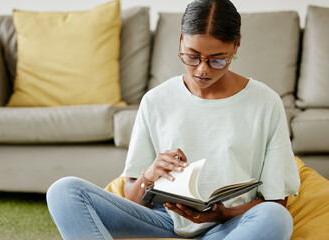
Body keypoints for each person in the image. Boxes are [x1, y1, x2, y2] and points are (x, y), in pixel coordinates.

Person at [46, 0, 301, 239]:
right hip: (163, 223)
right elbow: (133, 199)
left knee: (276, 217)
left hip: (229, 226)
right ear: (181, 39)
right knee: (64, 191)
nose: (202, 69)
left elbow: (277, 201)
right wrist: (149, 174)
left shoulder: (265, 103)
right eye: (192, 56)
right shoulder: (155, 100)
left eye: (217, 60)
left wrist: (224, 213)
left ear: (237, 46)